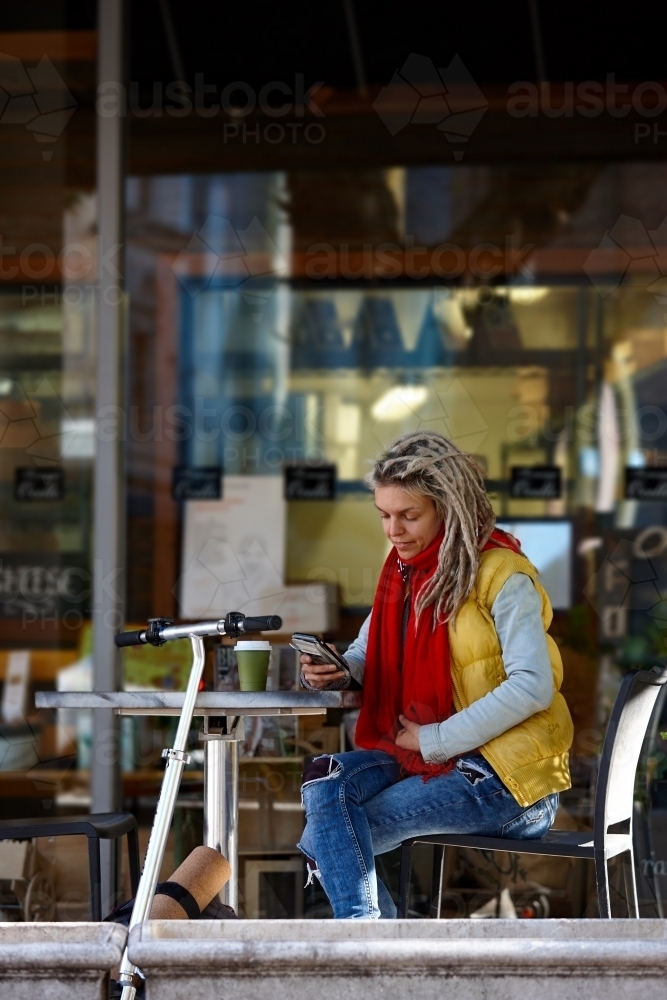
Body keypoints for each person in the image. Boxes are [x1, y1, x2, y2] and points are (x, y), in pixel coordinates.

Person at [298, 431, 573, 919]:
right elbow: (365, 651)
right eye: (384, 515)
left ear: (449, 508)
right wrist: (340, 671)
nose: (393, 530)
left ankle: (372, 956)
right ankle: (384, 953)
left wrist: (434, 737)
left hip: (510, 782)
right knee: (327, 785)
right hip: (425, 757)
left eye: (409, 515)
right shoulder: (405, 573)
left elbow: (533, 685)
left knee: (329, 837)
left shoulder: (504, 576)